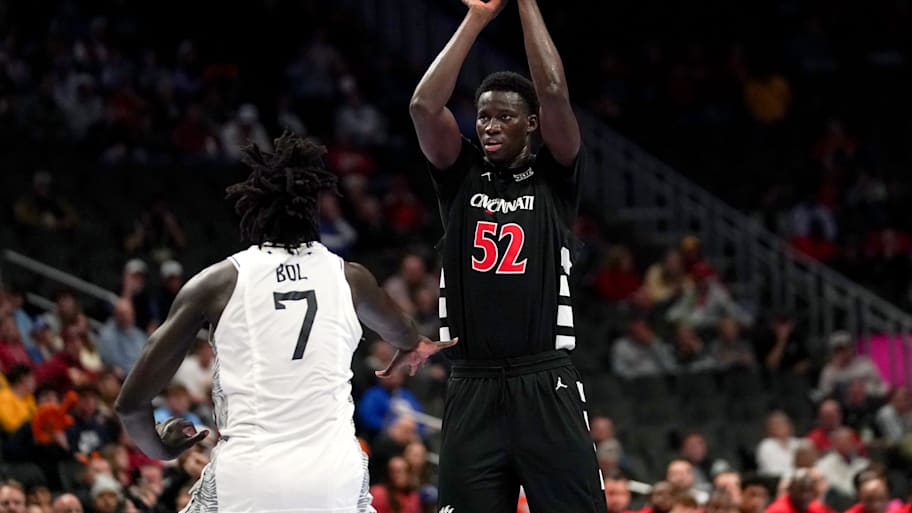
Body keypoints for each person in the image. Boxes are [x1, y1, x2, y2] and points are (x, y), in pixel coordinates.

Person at [115, 133, 454, 513]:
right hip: (334, 475)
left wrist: (162, 448)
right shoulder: (350, 278)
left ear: (252, 211)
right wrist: (412, 346)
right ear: (313, 211)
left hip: (251, 474)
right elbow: (404, 332)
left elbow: (130, 405)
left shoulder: (217, 283)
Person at [408, 0, 605, 510]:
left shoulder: (554, 177)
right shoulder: (460, 175)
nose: (490, 126)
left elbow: (554, 91)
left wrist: (526, 3)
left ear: (532, 124)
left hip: (545, 381)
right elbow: (424, 107)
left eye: (504, 117)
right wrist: (475, 19)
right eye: (483, 116)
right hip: (471, 384)